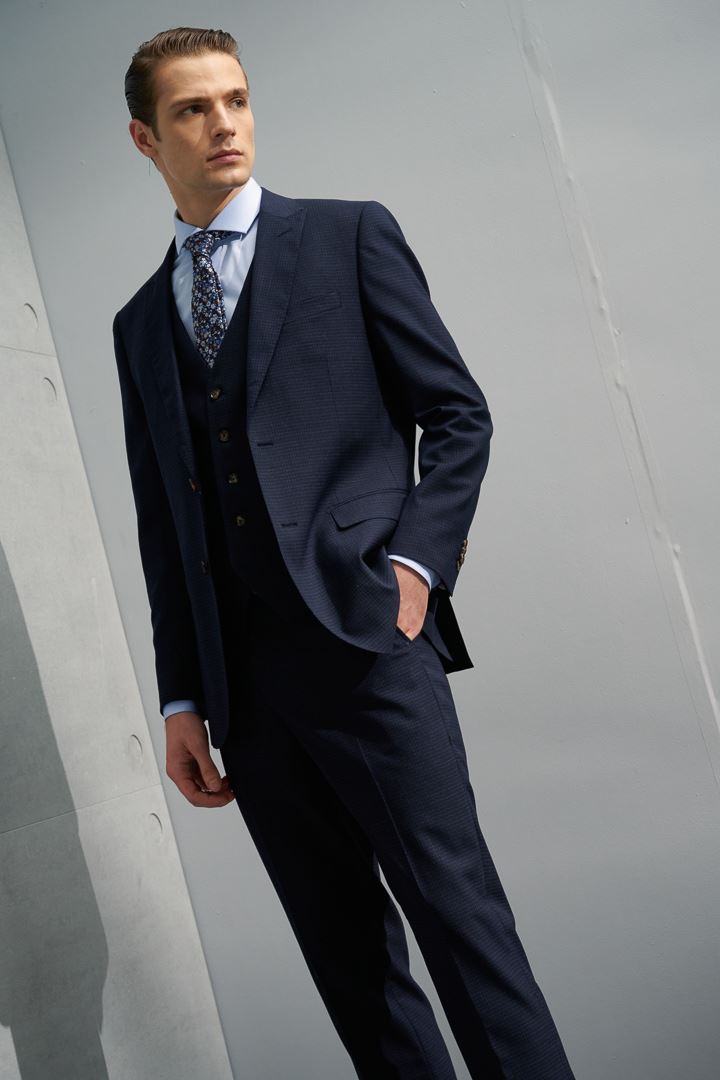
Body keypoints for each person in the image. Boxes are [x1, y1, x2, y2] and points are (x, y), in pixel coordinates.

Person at [114, 25, 576, 1079]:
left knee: (465, 931)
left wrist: (413, 571)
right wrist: (182, 696)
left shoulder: (347, 236)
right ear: (145, 138)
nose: (223, 124)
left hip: (369, 649)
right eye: (193, 109)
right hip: (245, 694)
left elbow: (457, 414)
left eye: (235, 100)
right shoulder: (139, 323)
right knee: (351, 967)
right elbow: (163, 523)